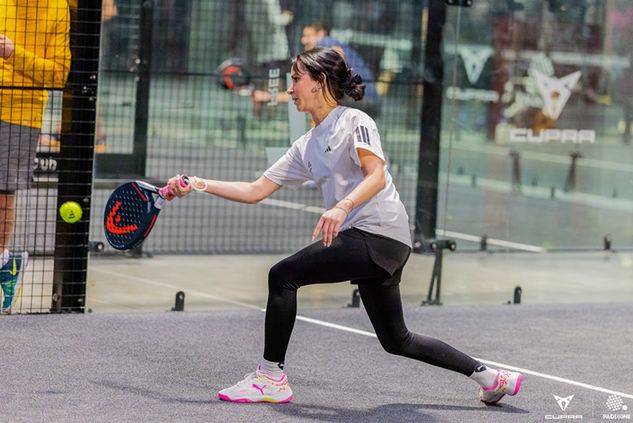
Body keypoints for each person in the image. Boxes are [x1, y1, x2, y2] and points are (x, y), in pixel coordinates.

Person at [168, 47, 523, 405]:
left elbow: (376, 174)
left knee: (282, 276)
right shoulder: (306, 145)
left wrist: (342, 206)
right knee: (397, 340)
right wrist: (198, 183)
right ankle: (492, 378)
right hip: (373, 242)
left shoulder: (356, 122)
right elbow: (255, 190)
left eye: (296, 79)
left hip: (378, 234)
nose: (290, 89)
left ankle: (271, 378)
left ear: (319, 81)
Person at [0, 0, 71, 313]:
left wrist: (13, 54)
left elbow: (59, 74)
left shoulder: (57, 8)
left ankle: (4, 263)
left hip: (19, 111)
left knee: (3, 193)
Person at [252, 21, 381, 119]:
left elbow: (338, 54)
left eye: (307, 35)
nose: (303, 40)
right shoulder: (329, 49)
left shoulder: (325, 43)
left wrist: (268, 97)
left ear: (321, 33)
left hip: (362, 101)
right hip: (365, 101)